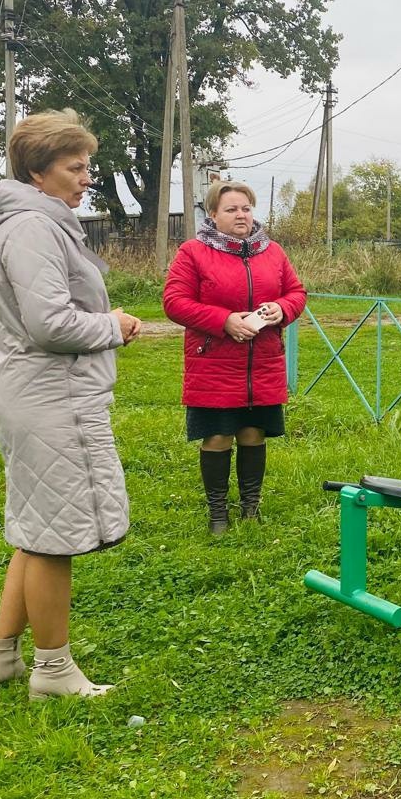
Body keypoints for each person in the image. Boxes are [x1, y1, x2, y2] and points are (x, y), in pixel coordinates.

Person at [0, 109, 141, 702]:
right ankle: (52, 671)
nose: (86, 177)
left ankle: (2, 659)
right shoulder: (33, 229)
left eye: (87, 165)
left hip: (40, 392)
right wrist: (112, 325)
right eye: (76, 167)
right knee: (53, 539)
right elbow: (49, 322)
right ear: (37, 173)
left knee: (35, 529)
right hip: (49, 396)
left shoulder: (33, 223)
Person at [163, 180, 306, 534]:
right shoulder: (193, 252)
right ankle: (217, 514)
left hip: (263, 363)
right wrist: (223, 321)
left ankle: (250, 508)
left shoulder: (272, 252)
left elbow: (296, 292)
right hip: (214, 362)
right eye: (231, 209)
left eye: (245, 208)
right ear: (213, 215)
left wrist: (281, 309)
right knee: (217, 437)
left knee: (253, 433)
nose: (240, 215)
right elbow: (174, 302)